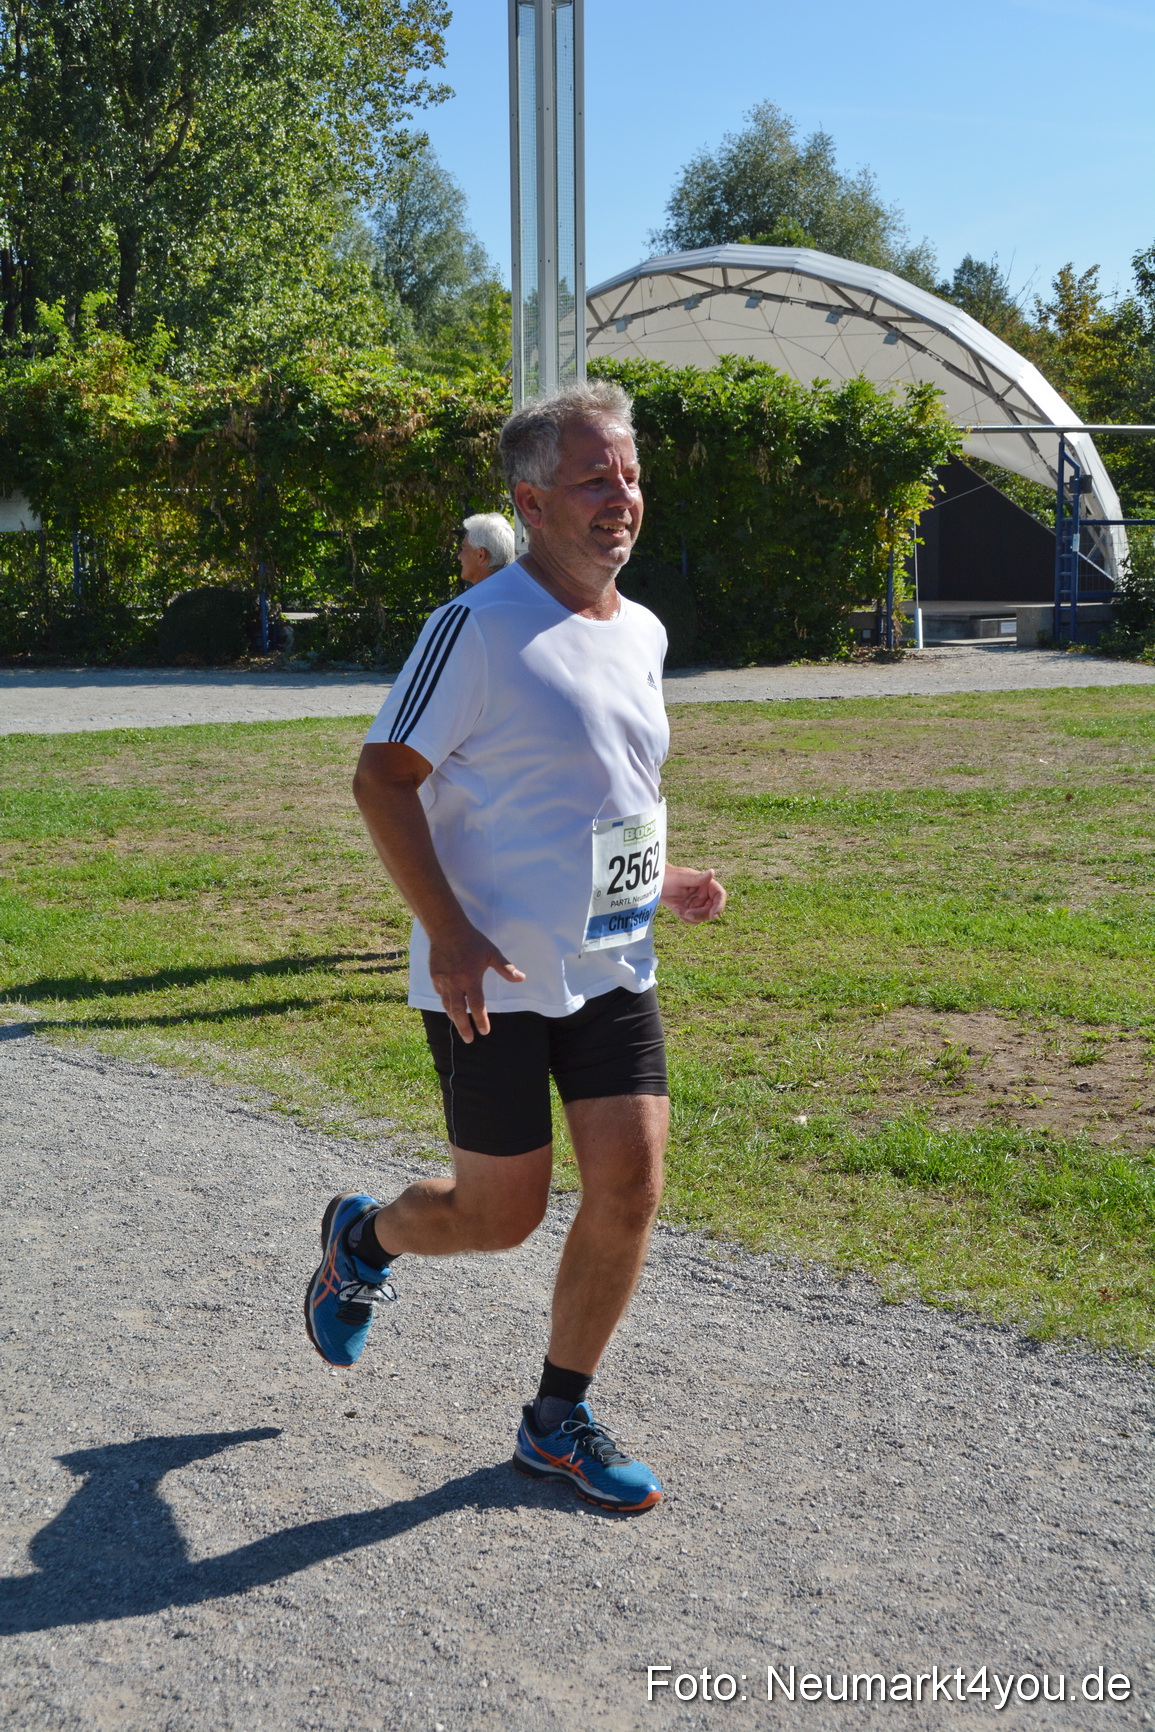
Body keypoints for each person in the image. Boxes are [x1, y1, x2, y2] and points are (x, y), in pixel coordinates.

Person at [305, 380, 726, 1513]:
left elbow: (599, 786)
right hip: (488, 976)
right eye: (594, 479)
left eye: (630, 475)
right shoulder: (476, 629)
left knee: (630, 1184)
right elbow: (381, 779)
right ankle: (365, 1239)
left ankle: (555, 1421)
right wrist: (448, 933)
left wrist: (661, 877)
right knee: (501, 1216)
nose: (622, 497)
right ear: (531, 503)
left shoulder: (642, 630)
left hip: (609, 965)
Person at [458, 511, 516, 586]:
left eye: (464, 549)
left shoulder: (480, 593)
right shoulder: (520, 589)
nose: (459, 556)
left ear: (481, 555)